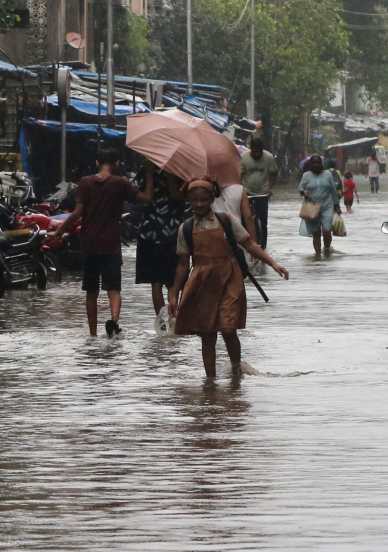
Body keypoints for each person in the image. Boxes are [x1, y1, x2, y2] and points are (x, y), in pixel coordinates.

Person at [168, 178, 289, 379]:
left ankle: (235, 371)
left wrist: (274, 264)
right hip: (202, 283)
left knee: (228, 328)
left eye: (204, 200)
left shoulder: (226, 221)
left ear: (211, 199)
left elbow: (249, 244)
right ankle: (210, 382)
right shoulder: (186, 229)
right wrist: (173, 293)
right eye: (194, 200)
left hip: (229, 278)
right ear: (189, 200)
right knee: (207, 335)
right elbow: (182, 264)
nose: (199, 204)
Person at [55, 148, 153, 338]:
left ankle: (92, 334)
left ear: (98, 162)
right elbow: (146, 199)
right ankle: (114, 322)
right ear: (116, 164)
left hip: (89, 243)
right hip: (111, 243)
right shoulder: (121, 183)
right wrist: (149, 175)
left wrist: (60, 231)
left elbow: (77, 214)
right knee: (114, 288)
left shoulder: (85, 183)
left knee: (91, 291)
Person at [136, 163, 185, 315]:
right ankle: (170, 321)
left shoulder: (146, 169)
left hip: (153, 230)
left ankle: (166, 322)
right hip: (167, 230)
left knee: (158, 281)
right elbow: (177, 195)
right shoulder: (177, 169)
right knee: (167, 281)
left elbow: (143, 197)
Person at [298, 154, 341, 258]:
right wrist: (304, 192)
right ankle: (317, 254)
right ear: (311, 164)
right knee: (316, 232)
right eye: (314, 163)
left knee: (327, 230)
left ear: (321, 164)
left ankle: (326, 248)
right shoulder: (306, 175)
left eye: (318, 163)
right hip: (312, 207)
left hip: (327, 206)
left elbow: (333, 190)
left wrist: (337, 205)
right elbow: (300, 188)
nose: (316, 165)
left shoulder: (328, 175)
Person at [240, 136, 278, 248]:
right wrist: (240, 190)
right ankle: (250, 243)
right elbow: (240, 175)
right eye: (254, 150)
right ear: (251, 149)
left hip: (263, 193)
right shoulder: (244, 157)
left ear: (262, 149)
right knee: (247, 219)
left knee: (263, 220)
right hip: (247, 193)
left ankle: (263, 246)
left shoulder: (269, 157)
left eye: (258, 151)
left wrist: (270, 188)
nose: (256, 153)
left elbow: (274, 173)